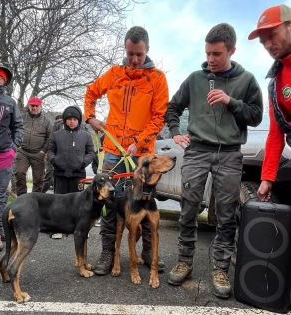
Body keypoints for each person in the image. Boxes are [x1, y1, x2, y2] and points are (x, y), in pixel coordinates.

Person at [166, 23, 263, 299]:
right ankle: (185, 260)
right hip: (197, 150)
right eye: (208, 53)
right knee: (188, 207)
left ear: (232, 50)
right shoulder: (196, 78)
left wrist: (231, 101)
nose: (211, 59)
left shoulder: (247, 81)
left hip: (230, 152)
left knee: (226, 214)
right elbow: (173, 107)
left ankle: (220, 267)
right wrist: (175, 132)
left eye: (217, 54)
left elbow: (256, 115)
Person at [84, 26, 169, 275]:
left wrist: (139, 143)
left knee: (146, 201)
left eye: (139, 55)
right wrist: (90, 117)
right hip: (112, 151)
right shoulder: (113, 74)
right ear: (125, 49)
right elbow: (90, 93)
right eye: (130, 53)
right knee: (109, 202)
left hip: (142, 156)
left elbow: (158, 117)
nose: (134, 59)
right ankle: (107, 253)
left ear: (147, 51)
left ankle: (147, 252)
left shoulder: (157, 79)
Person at [248, 4, 291, 202]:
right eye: (263, 42)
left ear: (289, 26)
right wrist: (266, 177)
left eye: (272, 36)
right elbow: (275, 135)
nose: (267, 45)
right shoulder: (276, 81)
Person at [0, 61, 24, 252]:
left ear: (4, 81)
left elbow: (18, 127)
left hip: (3, 154)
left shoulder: (10, 102)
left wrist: (13, 147)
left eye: (0, 77)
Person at [47, 106, 95, 195]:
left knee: (76, 204)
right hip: (60, 174)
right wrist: (54, 160)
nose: (72, 121)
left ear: (79, 120)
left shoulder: (86, 135)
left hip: (78, 175)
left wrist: (83, 162)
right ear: (65, 120)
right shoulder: (56, 135)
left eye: (75, 119)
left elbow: (91, 152)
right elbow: (50, 150)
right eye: (69, 119)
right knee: (59, 203)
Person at [15, 97, 53, 196]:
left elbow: (51, 137)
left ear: (40, 106)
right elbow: (14, 130)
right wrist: (17, 145)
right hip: (22, 151)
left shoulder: (47, 121)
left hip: (38, 153)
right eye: (32, 106)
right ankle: (21, 199)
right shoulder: (22, 117)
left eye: (37, 106)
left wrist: (44, 151)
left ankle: (35, 201)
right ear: (29, 106)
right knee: (19, 173)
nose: (34, 108)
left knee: (38, 180)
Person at [42, 115, 63, 193]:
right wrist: (46, 151)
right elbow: (49, 140)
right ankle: (42, 192)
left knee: (52, 174)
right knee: (49, 174)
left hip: (57, 155)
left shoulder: (61, 128)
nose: (59, 124)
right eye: (58, 122)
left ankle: (55, 191)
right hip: (51, 154)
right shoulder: (52, 127)